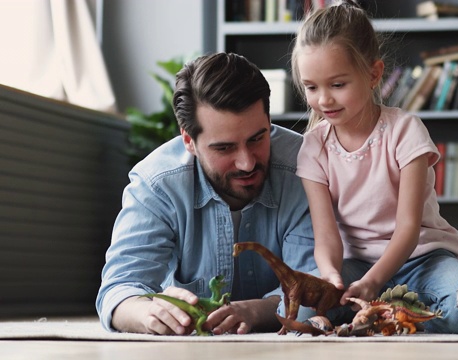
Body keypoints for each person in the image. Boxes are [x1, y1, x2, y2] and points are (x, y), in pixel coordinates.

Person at [290, 0, 458, 334]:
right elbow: (326, 235)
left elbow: (408, 228)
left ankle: (381, 317)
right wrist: (331, 275)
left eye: (337, 85)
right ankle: (384, 315)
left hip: (422, 260)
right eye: (311, 87)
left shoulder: (405, 130)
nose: (323, 99)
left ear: (373, 74)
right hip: (356, 264)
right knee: (294, 303)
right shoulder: (314, 146)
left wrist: (375, 281)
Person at [96, 52, 317, 335]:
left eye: (257, 138)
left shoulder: (306, 169)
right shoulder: (157, 184)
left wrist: (253, 312)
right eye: (224, 148)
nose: (247, 162)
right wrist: (146, 312)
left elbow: (314, 289)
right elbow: (117, 291)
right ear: (189, 140)